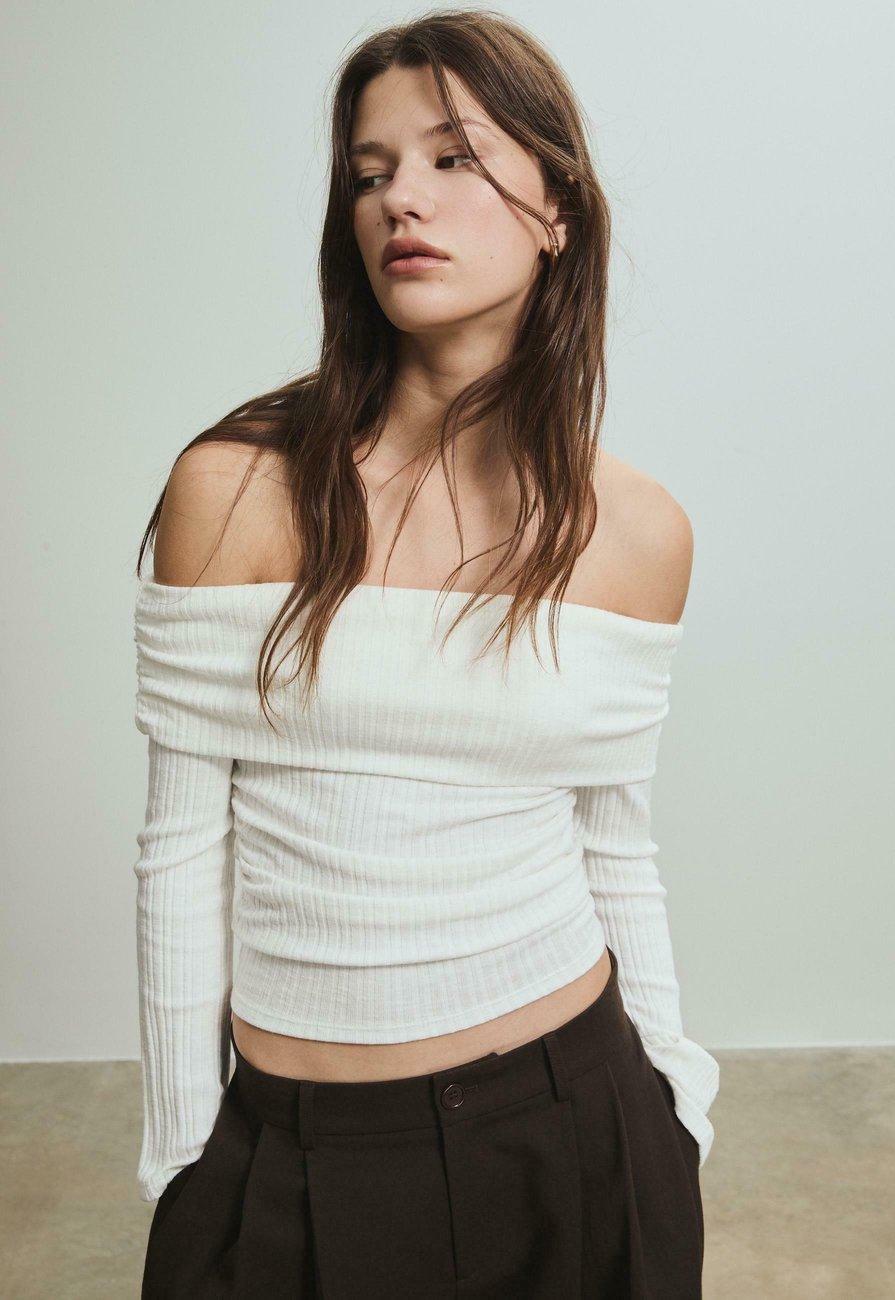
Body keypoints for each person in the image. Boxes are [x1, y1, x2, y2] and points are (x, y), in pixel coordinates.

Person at [131, 10, 719, 1297]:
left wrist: (678, 1102)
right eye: (371, 171)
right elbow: (181, 846)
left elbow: (615, 837)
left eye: (455, 157)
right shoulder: (235, 492)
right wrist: (183, 1165)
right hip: (302, 1150)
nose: (403, 197)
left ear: (556, 208)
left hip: (576, 1130)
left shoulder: (637, 533)